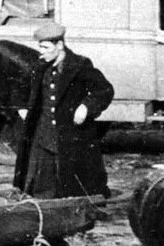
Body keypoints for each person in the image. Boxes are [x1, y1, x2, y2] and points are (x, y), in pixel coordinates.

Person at [13, 22, 114, 199]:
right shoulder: (40, 66)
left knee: (72, 183)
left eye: (45, 47)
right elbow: (21, 88)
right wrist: (22, 107)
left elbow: (104, 90)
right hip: (43, 134)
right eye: (40, 47)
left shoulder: (80, 65)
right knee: (41, 182)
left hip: (70, 135)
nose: (41, 52)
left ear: (59, 45)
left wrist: (86, 107)